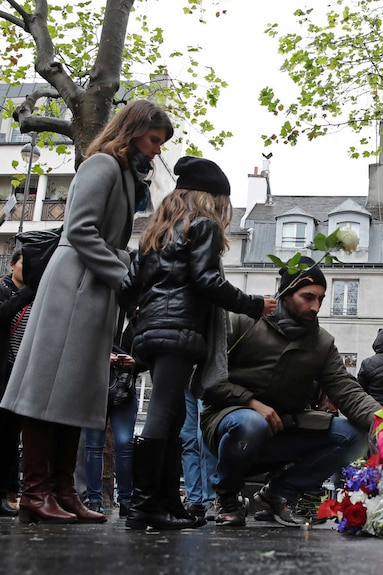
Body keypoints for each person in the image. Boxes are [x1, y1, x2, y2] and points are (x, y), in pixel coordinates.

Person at [0, 100, 173, 524]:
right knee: (49, 390)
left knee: (76, 393)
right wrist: (124, 274)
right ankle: (36, 492)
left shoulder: (125, 174)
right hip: (75, 284)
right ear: (132, 130)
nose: (156, 150)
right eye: (154, 140)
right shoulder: (101, 165)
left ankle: (62, 491)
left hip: (91, 285)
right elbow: (78, 229)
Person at [121, 156, 277, 531]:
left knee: (172, 414)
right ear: (213, 198)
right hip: (179, 330)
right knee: (162, 414)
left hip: (154, 329)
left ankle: (167, 502)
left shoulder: (156, 232)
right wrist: (254, 304)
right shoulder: (202, 226)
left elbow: (132, 287)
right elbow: (208, 281)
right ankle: (145, 506)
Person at [200, 257, 382, 528]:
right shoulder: (243, 321)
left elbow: (347, 391)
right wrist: (250, 402)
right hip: (230, 425)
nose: (316, 306)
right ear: (285, 294)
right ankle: (226, 496)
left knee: (355, 436)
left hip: (284, 430)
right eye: (308, 297)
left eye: (320, 299)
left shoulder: (322, 343)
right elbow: (207, 380)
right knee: (251, 423)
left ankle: (280, 492)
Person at [82, 318, 139, 517]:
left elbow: (150, 352)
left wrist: (135, 362)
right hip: (95, 387)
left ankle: (126, 499)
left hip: (125, 388)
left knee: (124, 444)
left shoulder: (138, 317)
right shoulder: (98, 313)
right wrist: (101, 356)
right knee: (94, 444)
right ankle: (95, 500)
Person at [0, 251, 30, 516]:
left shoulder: (35, 298)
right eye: (24, 262)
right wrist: (25, 294)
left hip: (23, 376)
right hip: (4, 373)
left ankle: (9, 493)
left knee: (12, 438)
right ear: (12, 265)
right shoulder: (4, 291)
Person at [180, 388, 218, 521]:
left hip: (204, 375)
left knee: (204, 437)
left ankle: (211, 499)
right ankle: (194, 499)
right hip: (185, 377)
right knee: (188, 439)